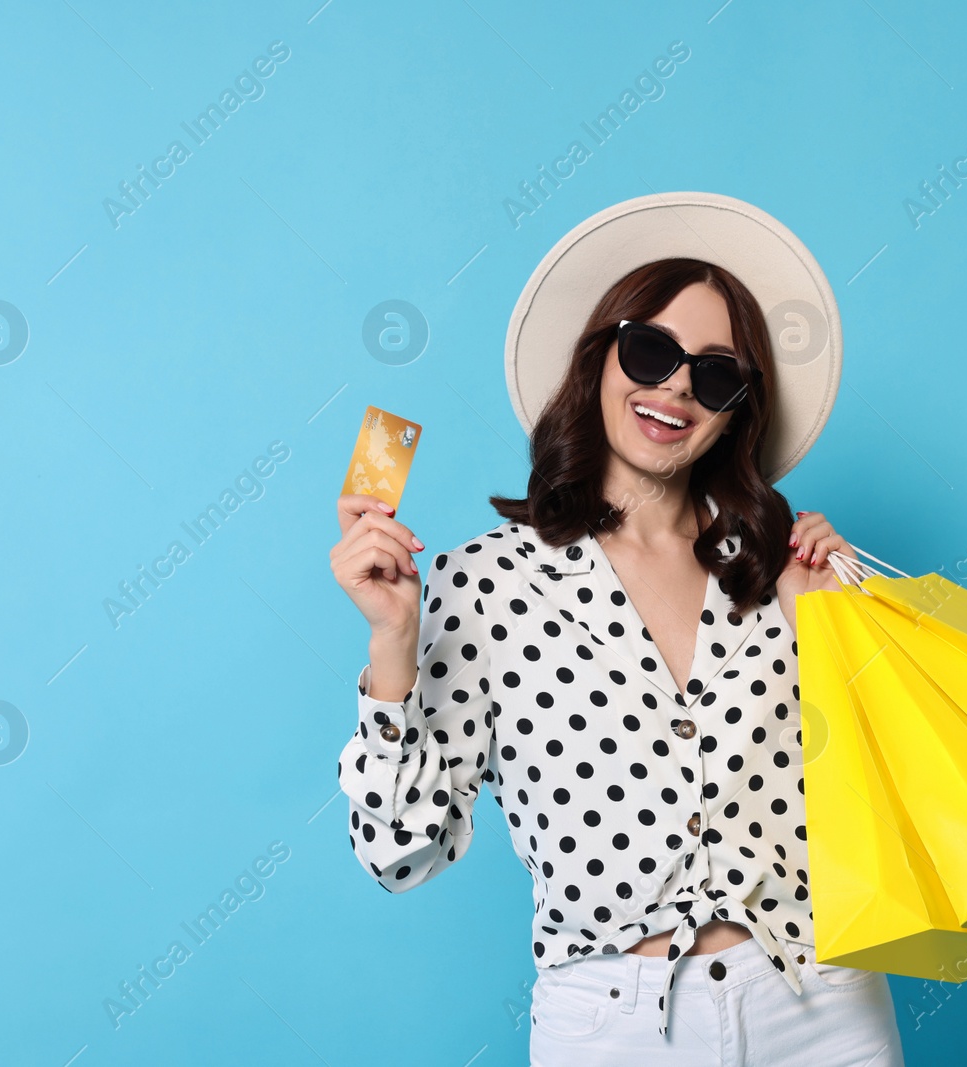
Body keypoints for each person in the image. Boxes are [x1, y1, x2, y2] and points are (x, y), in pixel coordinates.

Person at [330, 193, 905, 1065]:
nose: (676, 385)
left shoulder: (774, 567)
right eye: (652, 350)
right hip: (617, 1023)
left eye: (714, 374)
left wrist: (826, 618)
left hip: (819, 1000)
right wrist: (392, 646)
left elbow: (891, 800)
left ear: (736, 409)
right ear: (599, 359)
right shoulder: (484, 583)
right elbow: (401, 852)